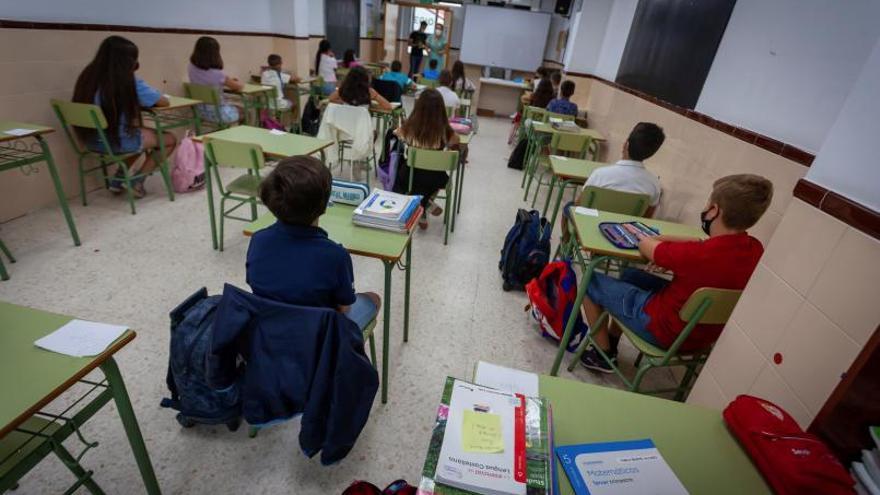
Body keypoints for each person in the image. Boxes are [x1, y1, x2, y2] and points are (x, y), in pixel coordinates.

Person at [577, 174, 773, 373]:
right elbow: (699, 245)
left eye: (708, 202)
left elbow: (645, 243)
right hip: (701, 337)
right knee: (631, 276)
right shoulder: (755, 249)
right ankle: (611, 339)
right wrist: (667, 254)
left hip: (663, 331)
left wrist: (659, 248)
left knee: (590, 280)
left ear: (714, 210)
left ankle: (602, 355)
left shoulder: (697, 255)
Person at [247, 155, 381, 332]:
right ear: (324, 204)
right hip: (318, 337)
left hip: (268, 330)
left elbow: (256, 285)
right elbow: (344, 308)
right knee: (373, 299)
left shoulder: (258, 240)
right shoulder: (335, 255)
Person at [73, 35, 175, 199]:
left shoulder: (87, 77)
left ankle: (118, 180)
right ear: (129, 61)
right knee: (168, 139)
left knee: (138, 133)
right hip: (116, 142)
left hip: (91, 141)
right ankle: (137, 182)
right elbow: (163, 102)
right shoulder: (128, 80)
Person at [560, 123, 665, 243]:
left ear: (626, 145)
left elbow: (578, 207)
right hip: (624, 237)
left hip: (588, 229)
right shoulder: (654, 184)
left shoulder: (600, 174)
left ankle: (566, 248)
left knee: (568, 207)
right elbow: (646, 220)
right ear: (651, 153)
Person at [392, 88, 460, 229]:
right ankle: (425, 203)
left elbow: (397, 133)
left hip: (411, 176)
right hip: (435, 178)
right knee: (435, 176)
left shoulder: (409, 127)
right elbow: (456, 141)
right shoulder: (445, 130)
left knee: (406, 172)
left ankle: (421, 204)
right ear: (441, 110)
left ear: (418, 108)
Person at [188, 36, 245, 125]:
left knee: (234, 107)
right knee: (243, 111)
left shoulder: (191, 67)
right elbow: (239, 87)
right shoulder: (218, 74)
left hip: (199, 111)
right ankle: (238, 136)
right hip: (219, 113)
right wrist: (230, 80)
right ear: (215, 53)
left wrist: (226, 80)